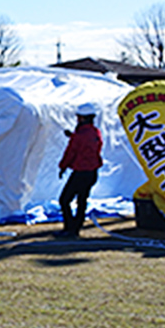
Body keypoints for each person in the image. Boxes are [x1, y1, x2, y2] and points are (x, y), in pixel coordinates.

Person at [56, 102, 103, 238]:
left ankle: (70, 228)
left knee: (64, 200)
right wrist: (73, 136)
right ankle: (76, 227)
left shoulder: (79, 135)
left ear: (82, 118)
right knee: (82, 200)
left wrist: (63, 166)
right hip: (92, 172)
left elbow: (71, 151)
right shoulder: (95, 132)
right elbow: (87, 145)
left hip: (80, 172)